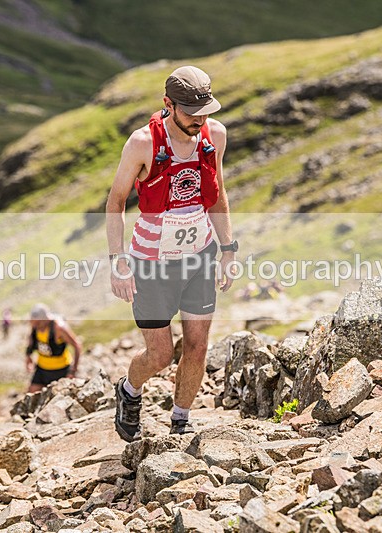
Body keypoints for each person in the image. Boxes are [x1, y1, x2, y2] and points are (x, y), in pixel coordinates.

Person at [105, 65, 237, 442]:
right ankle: (129, 390)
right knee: (160, 355)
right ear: (168, 104)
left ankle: (180, 421)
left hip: (199, 257)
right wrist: (118, 263)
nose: (200, 120)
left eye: (205, 112)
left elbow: (218, 194)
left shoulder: (216, 135)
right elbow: (115, 203)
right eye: (191, 113)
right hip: (150, 263)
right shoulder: (142, 143)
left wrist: (228, 249)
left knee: (197, 346)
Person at [24, 304, 83, 393]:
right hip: (42, 369)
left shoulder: (59, 328)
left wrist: (73, 371)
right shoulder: (35, 327)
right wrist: (28, 356)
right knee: (32, 393)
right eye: (33, 323)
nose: (35, 326)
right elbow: (32, 340)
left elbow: (77, 346)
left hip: (61, 370)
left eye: (38, 323)